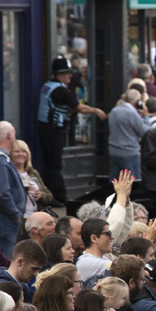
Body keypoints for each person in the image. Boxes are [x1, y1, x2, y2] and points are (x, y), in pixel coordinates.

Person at [38, 57, 107, 206]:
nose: (70, 76)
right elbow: (79, 107)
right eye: (67, 73)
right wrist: (96, 111)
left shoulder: (48, 86)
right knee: (55, 166)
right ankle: (57, 197)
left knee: (51, 165)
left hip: (46, 130)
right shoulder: (60, 90)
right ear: (59, 74)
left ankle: (56, 195)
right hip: (53, 131)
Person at [0, 122, 27, 253]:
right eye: (13, 133)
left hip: (1, 217)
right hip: (4, 220)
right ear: (9, 136)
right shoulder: (0, 161)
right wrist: (15, 214)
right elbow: (3, 192)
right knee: (5, 259)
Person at [108, 89, 150, 183]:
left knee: (114, 183)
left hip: (114, 152)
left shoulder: (114, 111)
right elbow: (145, 132)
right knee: (133, 183)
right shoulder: (132, 113)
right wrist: (146, 116)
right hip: (130, 153)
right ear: (137, 101)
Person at [75, 218, 113, 282]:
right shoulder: (87, 261)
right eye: (108, 234)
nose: (112, 237)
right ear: (94, 238)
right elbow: (123, 268)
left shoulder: (102, 259)